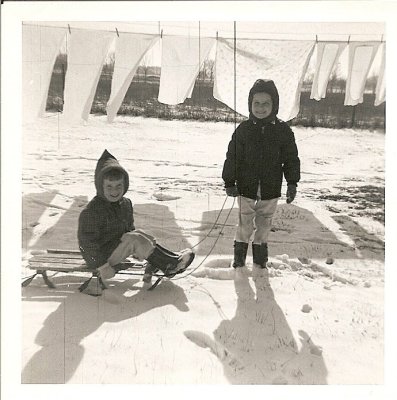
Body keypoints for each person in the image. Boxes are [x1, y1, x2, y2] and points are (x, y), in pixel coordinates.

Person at [78, 149, 195, 286]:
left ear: (125, 184)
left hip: (115, 249)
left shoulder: (125, 203)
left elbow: (129, 230)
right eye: (109, 186)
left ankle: (167, 259)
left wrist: (138, 249)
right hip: (100, 258)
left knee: (140, 234)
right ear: (100, 186)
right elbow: (87, 244)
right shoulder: (93, 211)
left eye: (118, 186)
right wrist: (102, 267)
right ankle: (170, 266)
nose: (114, 191)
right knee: (135, 239)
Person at [222, 79, 300, 269]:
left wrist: (292, 183)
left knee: (264, 225)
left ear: (274, 105)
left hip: (270, 188)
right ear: (250, 104)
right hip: (246, 187)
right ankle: (239, 258)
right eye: (256, 103)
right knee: (244, 224)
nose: (261, 108)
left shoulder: (283, 131)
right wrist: (229, 181)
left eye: (266, 103)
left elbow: (291, 158)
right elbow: (232, 156)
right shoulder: (243, 130)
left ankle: (260, 259)